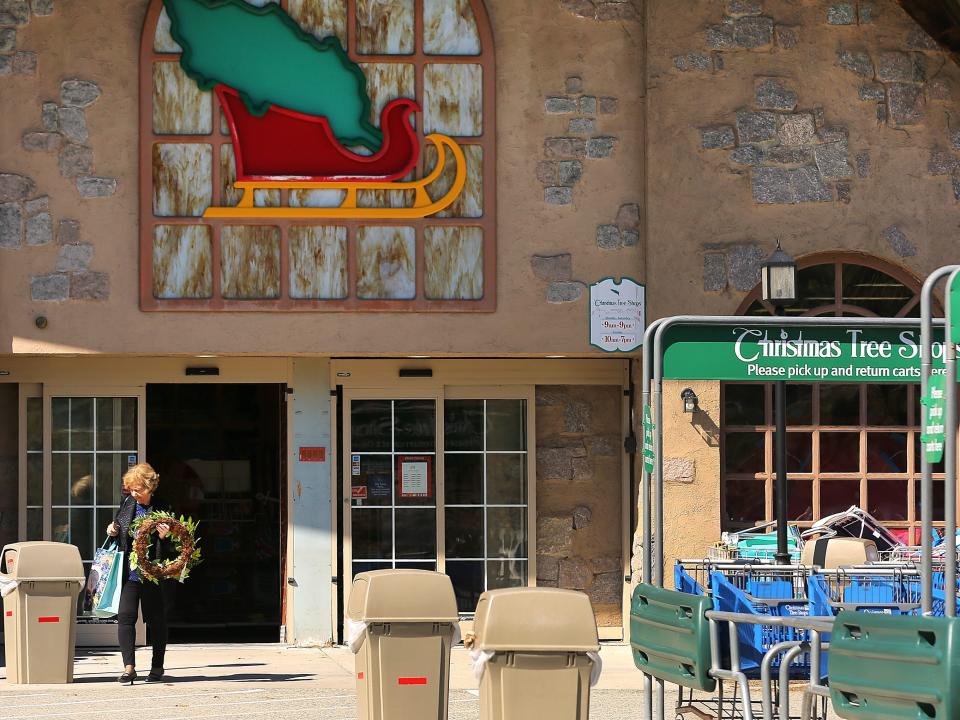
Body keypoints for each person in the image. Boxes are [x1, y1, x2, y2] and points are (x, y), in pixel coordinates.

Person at [106, 463, 174, 685]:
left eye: (138, 490)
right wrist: (112, 530)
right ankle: (129, 669)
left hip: (152, 573)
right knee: (125, 618)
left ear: (150, 487)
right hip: (130, 572)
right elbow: (119, 530)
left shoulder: (164, 508)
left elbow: (177, 546)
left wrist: (165, 538)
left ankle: (157, 667)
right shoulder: (127, 503)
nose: (134, 494)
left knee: (156, 620)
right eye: (131, 490)